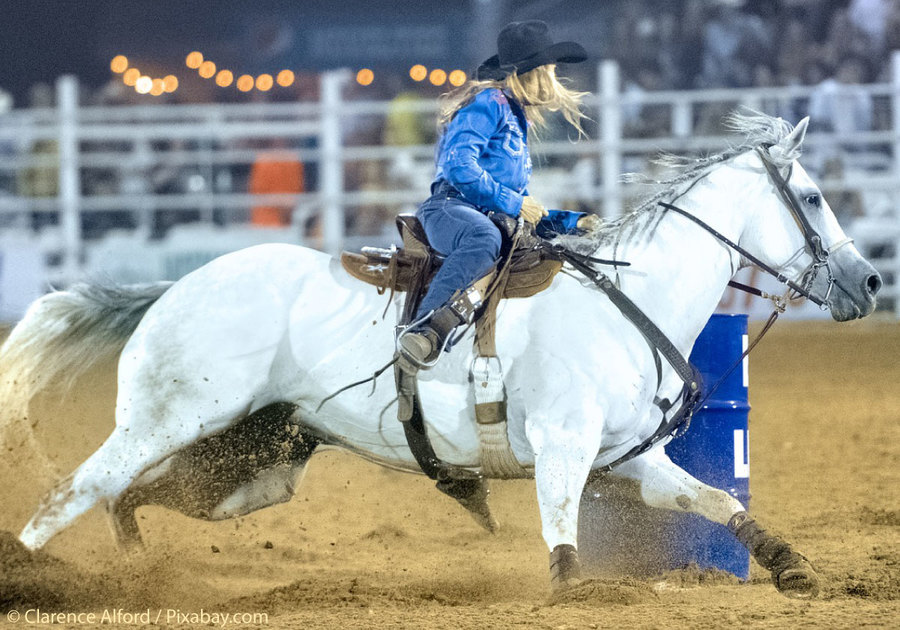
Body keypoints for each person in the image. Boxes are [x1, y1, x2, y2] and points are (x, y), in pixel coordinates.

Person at [397, 20, 596, 370]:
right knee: (482, 236)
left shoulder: (515, 118)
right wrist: (514, 202)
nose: (553, 75)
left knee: (503, 234)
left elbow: (525, 210)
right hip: (448, 207)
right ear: (530, 72)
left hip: (478, 210)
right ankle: (424, 329)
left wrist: (576, 222)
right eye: (548, 68)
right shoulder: (490, 103)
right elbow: (459, 165)